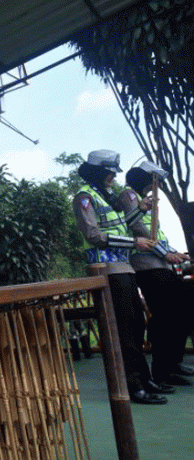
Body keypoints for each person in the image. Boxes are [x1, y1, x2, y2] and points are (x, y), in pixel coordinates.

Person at [73, 150, 169, 404]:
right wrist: (133, 242)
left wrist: (141, 210)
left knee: (136, 324)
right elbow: (94, 235)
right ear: (98, 172)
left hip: (124, 267)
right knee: (125, 328)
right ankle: (133, 384)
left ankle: (144, 378)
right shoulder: (84, 197)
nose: (113, 177)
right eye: (109, 173)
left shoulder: (108, 197)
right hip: (107, 269)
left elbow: (124, 224)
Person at [120, 162, 194, 386]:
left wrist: (174, 253)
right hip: (147, 265)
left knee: (181, 311)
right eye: (152, 181)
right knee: (164, 317)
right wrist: (167, 254)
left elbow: (157, 233)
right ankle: (163, 370)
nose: (155, 187)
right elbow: (141, 230)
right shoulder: (129, 196)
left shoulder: (145, 200)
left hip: (159, 263)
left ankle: (173, 363)